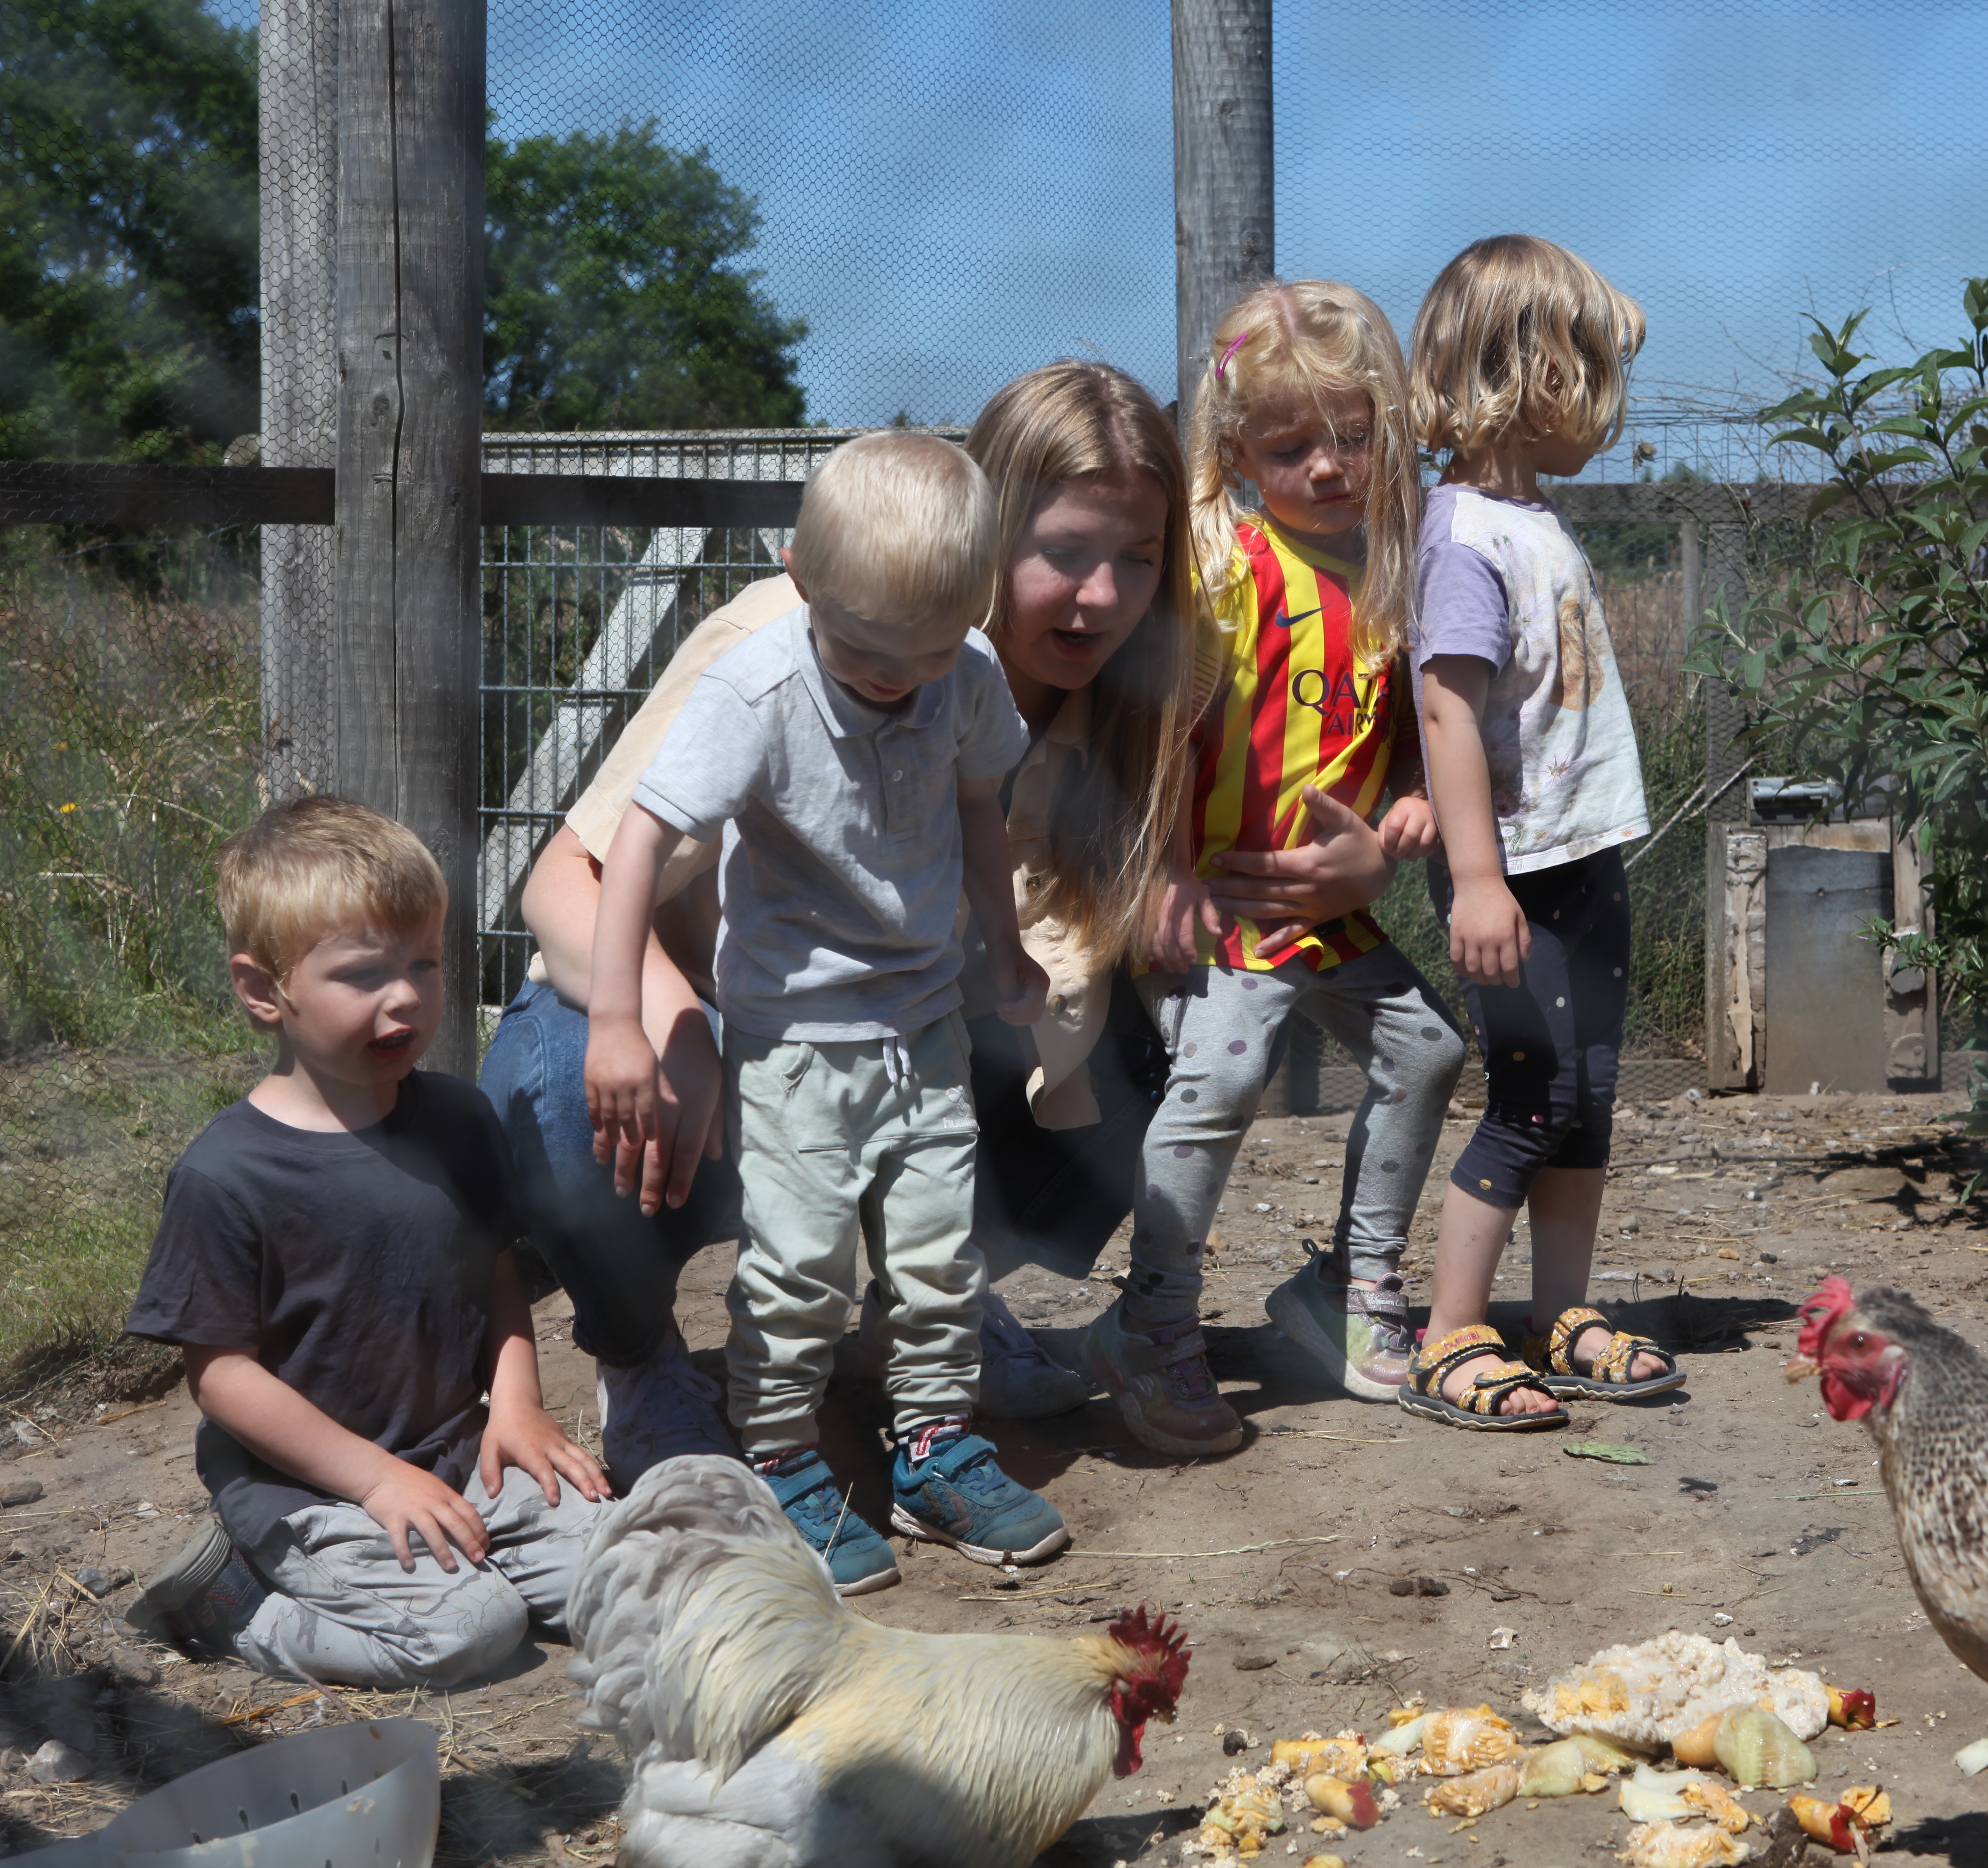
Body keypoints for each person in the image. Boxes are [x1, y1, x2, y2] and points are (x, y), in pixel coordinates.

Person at [495, 361, 1405, 1482]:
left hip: (908, 1031)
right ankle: (643, 1362)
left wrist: (1352, 871)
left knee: (1159, 1029)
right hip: (726, 1031)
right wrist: (671, 1021)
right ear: (985, 537)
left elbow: (1294, 821)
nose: (1103, 599)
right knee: (563, 1082)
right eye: (1064, 553)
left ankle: (918, 1312)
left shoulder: (1140, 695)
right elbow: (561, 878)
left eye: (1136, 559)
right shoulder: (804, 637)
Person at [583, 431, 1066, 1594]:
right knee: (799, 1269)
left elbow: (981, 802)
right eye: (864, 653)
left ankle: (935, 1449)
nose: (896, 680)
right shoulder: (756, 688)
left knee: (943, 1255)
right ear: (798, 576)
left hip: (923, 1020)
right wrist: (617, 1016)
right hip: (795, 1038)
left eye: (928, 653)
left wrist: (1005, 943)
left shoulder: (970, 671)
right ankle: (782, 1458)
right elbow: (640, 837)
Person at [122, 797, 611, 1685]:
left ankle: (472, 1556)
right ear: (263, 990)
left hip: (466, 1455)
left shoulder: (459, 1119)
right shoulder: (228, 1175)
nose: (407, 997)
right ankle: (233, 1606)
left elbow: (496, 1272)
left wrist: (518, 1408)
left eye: (425, 963)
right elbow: (221, 1376)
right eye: (363, 974)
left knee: (637, 1581)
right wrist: (378, 1481)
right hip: (310, 1492)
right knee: (472, 1632)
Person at [1109, 279, 1469, 1455]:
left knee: (1430, 1049)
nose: (1328, 466)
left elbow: (1415, 722)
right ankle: (1153, 1322)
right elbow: (1155, 730)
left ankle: (1355, 1289)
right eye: (1291, 445)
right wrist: (1163, 871)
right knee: (1222, 1081)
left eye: (1355, 439)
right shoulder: (1224, 569)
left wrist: (1414, 799)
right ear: (1237, 447)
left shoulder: (1396, 568)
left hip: (1331, 911)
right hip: (1229, 901)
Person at [1399, 234, 1681, 1429]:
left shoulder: (1533, 520)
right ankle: (1451, 1331)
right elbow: (1446, 707)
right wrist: (1474, 879)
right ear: (1541, 375)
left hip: (1583, 858)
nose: (1609, 408)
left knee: (1589, 1095)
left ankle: (1560, 1313)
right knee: (1530, 1093)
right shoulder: (1464, 535)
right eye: (1596, 373)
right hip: (1511, 875)